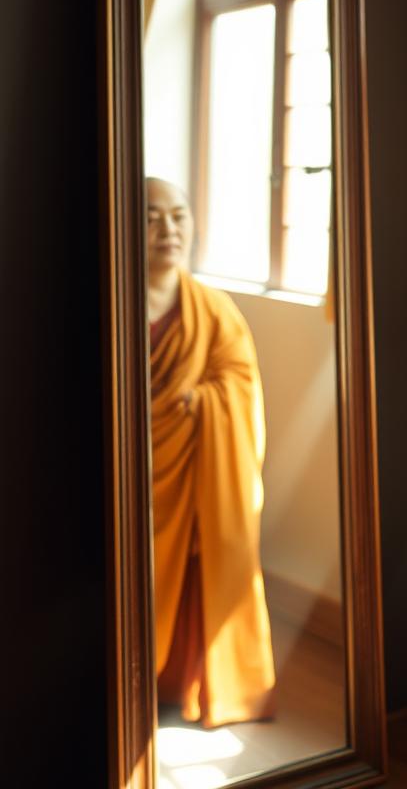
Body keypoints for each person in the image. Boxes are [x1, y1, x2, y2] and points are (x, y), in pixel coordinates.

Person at [146, 176, 276, 728]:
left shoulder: (213, 312)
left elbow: (240, 384)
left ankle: (187, 688)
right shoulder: (105, 299)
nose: (168, 229)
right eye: (151, 217)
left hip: (196, 470)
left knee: (207, 559)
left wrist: (201, 400)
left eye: (178, 215)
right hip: (128, 475)